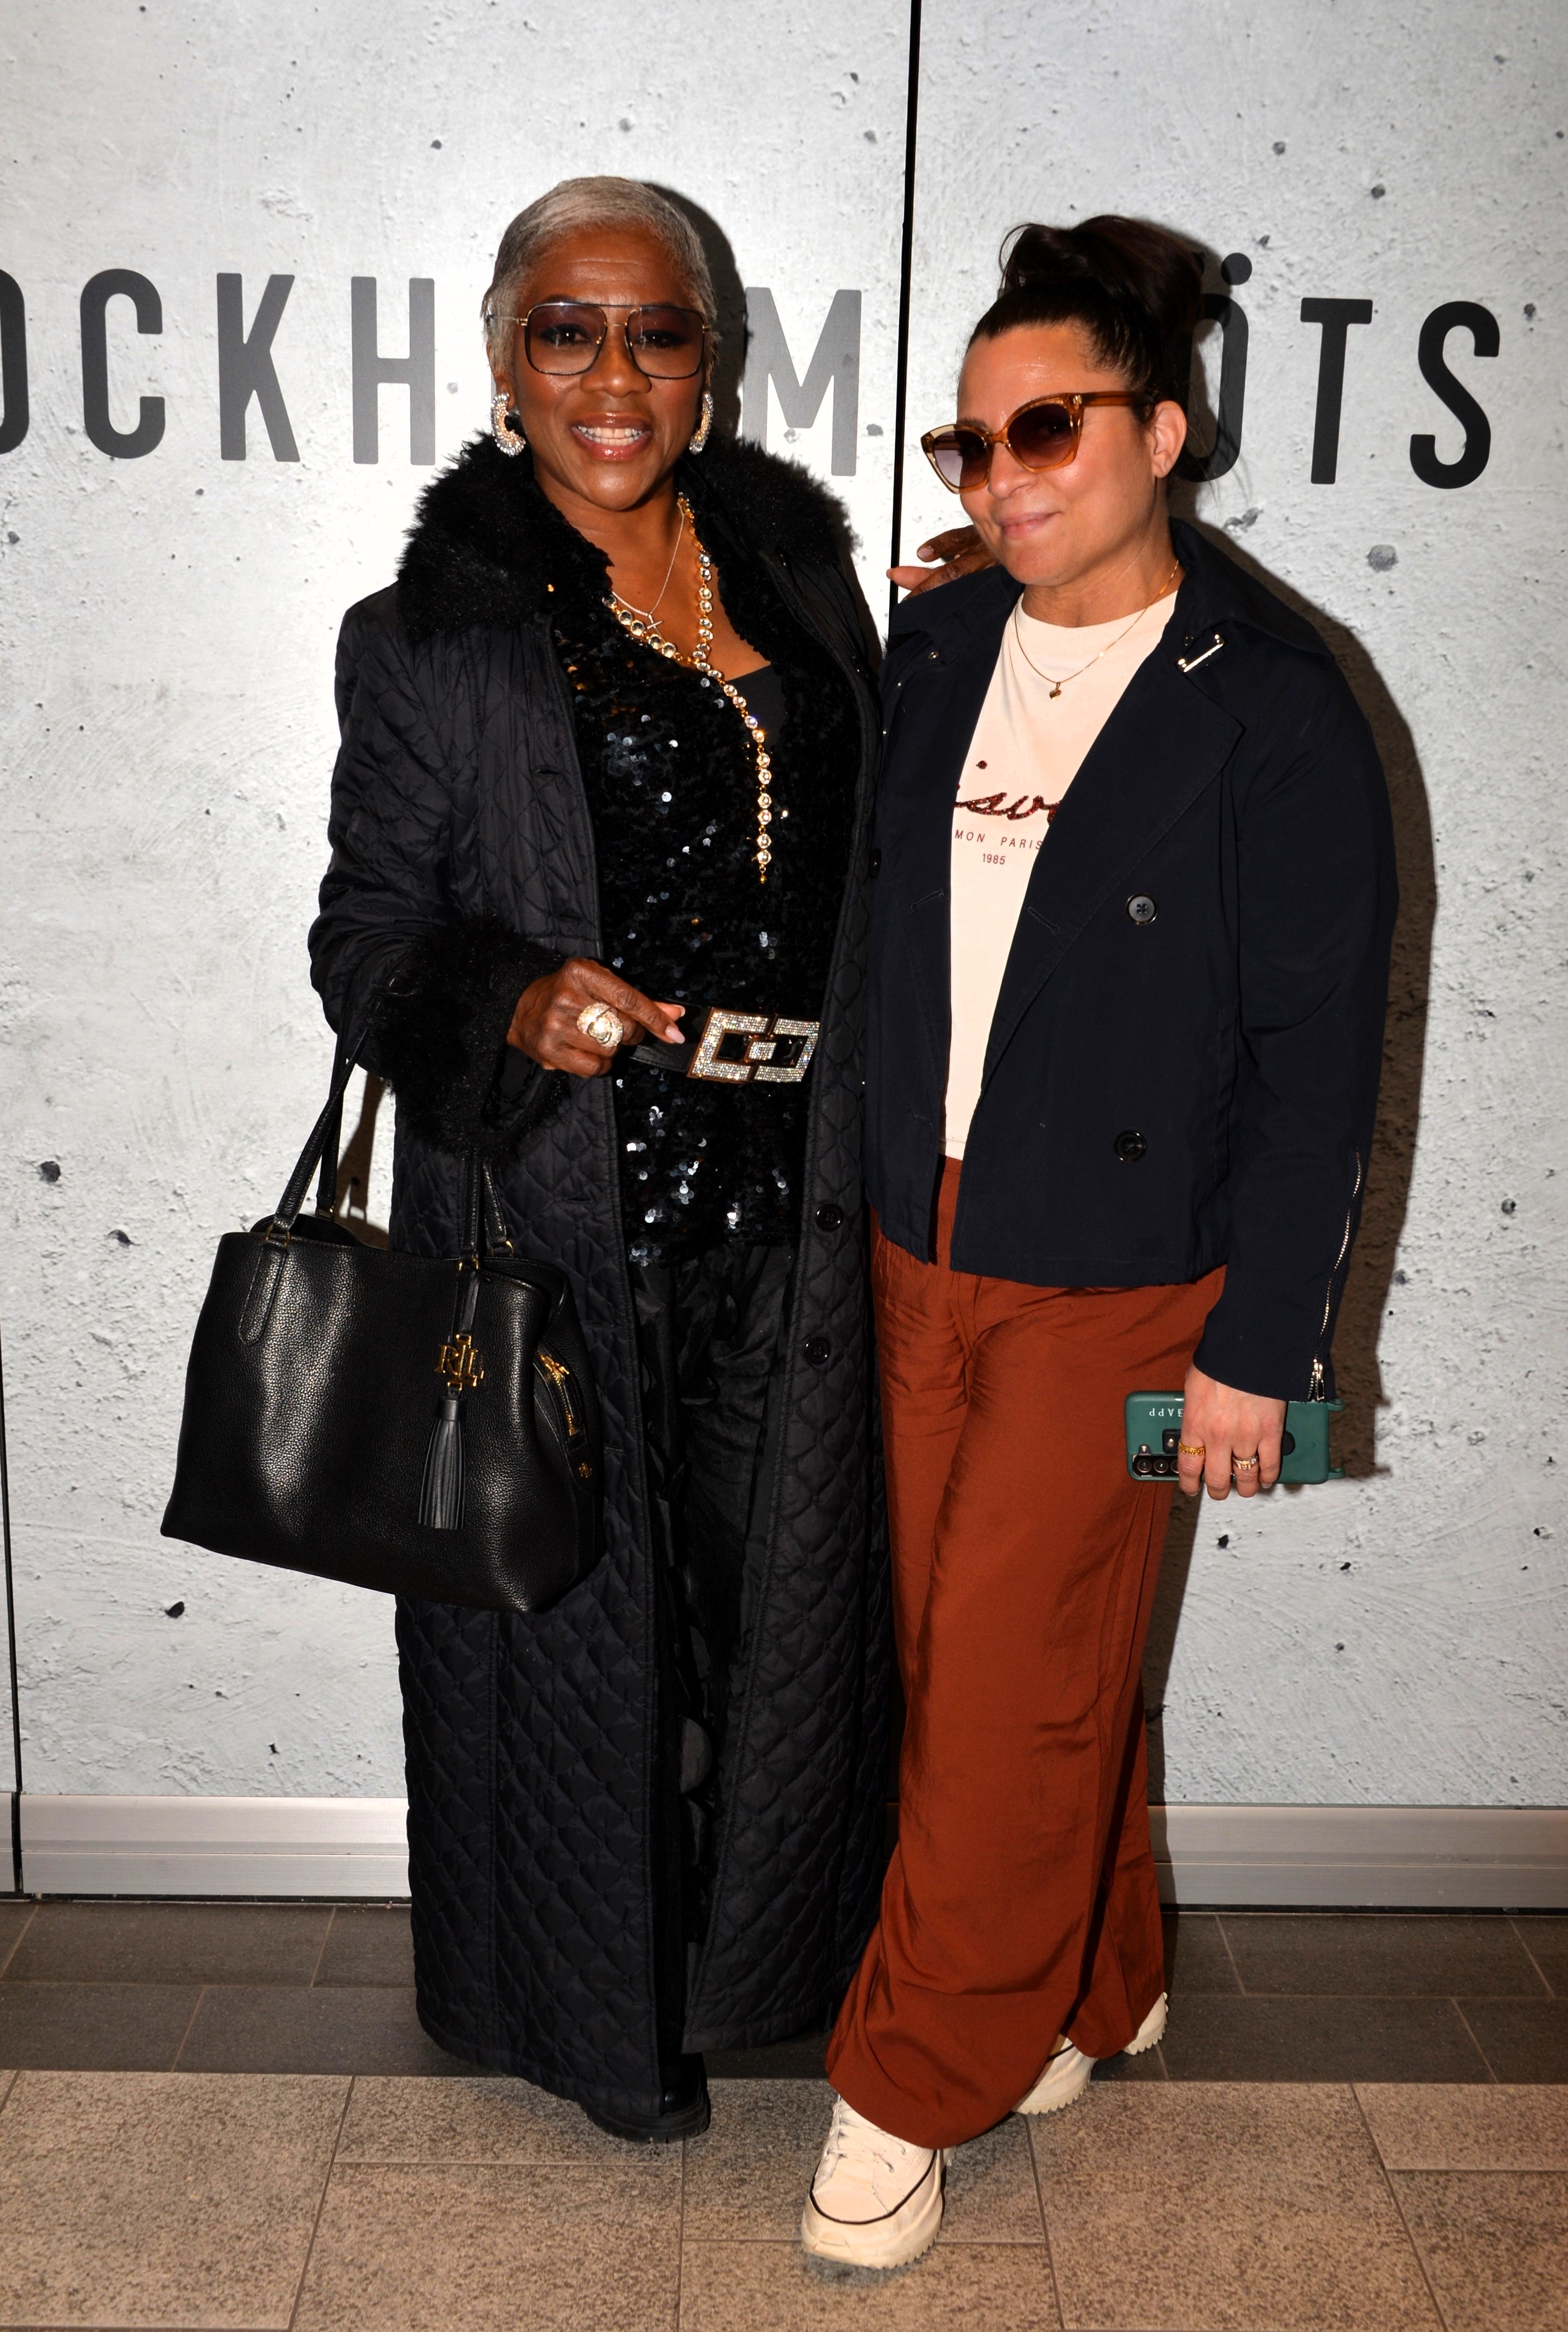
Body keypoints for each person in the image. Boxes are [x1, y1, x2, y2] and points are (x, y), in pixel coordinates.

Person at [801, 215, 1397, 2266]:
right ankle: (1098, 1969)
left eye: (1044, 428)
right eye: (967, 444)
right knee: (989, 1655)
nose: (999, 475)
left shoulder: (1279, 711)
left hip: (1134, 1295)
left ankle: (915, 2074)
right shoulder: (941, 646)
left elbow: (1316, 1068)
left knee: (997, 1689)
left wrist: (1262, 1356)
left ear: (1163, 429)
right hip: (920, 1250)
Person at [309, 176, 892, 2142]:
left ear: (710, 366)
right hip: (563, 1206)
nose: (614, 374)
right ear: (506, 361)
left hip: (795, 1205)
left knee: (782, 1609)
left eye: (658, 332)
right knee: (574, 1639)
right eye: (568, 331)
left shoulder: (805, 592)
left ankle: (764, 1974)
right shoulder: (433, 639)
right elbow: (365, 940)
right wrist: (507, 996)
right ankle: (582, 2014)